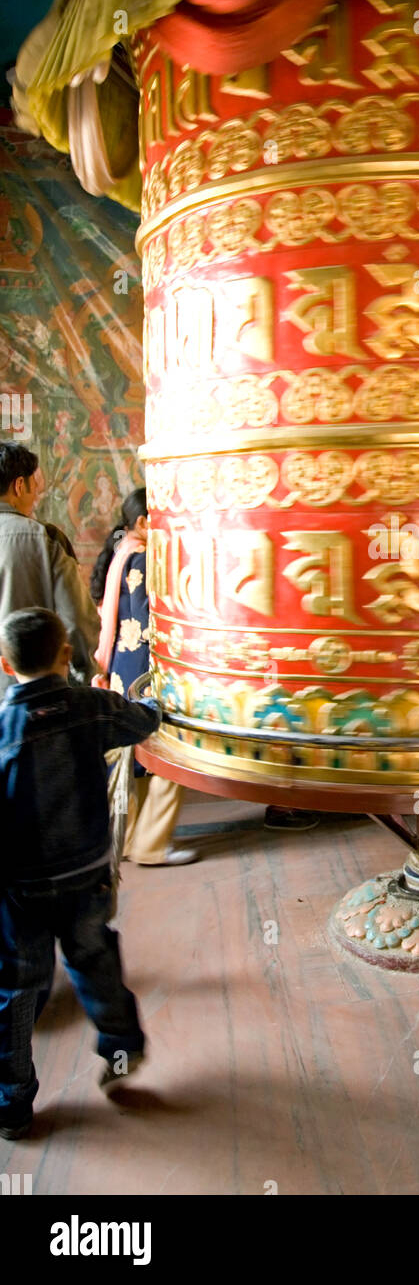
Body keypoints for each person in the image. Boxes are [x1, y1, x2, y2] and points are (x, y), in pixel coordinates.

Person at [0, 608, 162, 1138]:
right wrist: (154, 702)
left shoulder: (2, 729)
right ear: (66, 652)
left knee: (17, 990)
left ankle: (13, 1104)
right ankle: (120, 1054)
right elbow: (143, 720)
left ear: (5, 664)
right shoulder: (90, 708)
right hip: (86, 874)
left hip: (19, 888)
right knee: (94, 961)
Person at [92, 487, 198, 866]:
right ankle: (151, 843)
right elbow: (153, 619)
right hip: (144, 668)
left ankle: (124, 839)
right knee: (174, 750)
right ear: (142, 522)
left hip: (122, 665)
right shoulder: (141, 559)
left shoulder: (120, 552)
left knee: (129, 758)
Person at [0, 442, 99, 703]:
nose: (36, 497)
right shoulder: (45, 538)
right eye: (35, 488)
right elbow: (77, 620)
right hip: (35, 698)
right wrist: (81, 675)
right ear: (19, 486)